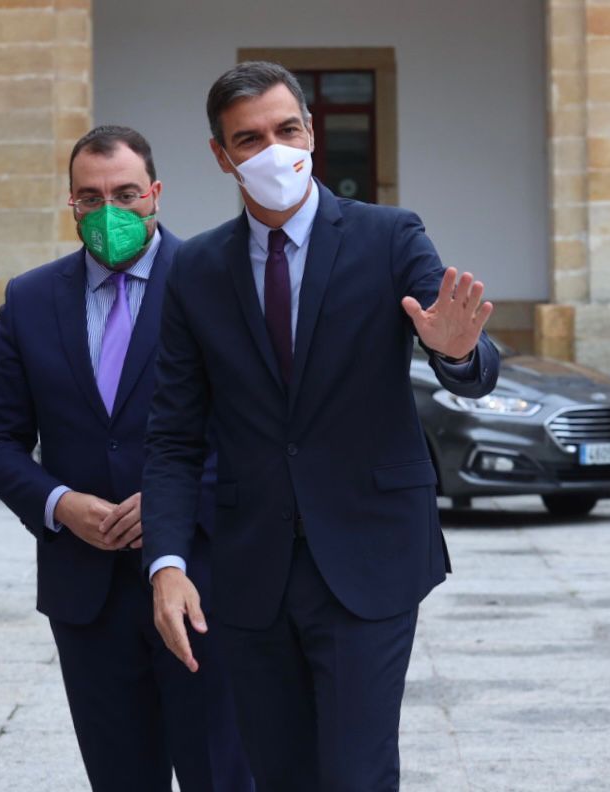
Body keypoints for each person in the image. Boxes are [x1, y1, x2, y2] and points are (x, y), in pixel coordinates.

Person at [143, 62, 501, 791]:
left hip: (368, 555)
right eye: (248, 138)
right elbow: (175, 435)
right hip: (250, 570)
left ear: (310, 132)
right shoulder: (197, 269)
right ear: (220, 155)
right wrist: (168, 563)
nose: (272, 149)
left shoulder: (388, 236)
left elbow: (466, 352)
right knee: (278, 773)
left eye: (286, 129)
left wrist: (455, 349)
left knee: (353, 772)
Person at [0, 125, 253, 791]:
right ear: (70, 204)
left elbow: (257, 433)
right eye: (89, 199)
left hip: (205, 580)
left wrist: (173, 500)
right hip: (86, 591)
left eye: (125, 194)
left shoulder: (218, 282)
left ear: (155, 193)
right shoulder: (31, 299)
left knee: (223, 774)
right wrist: (58, 504)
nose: (108, 213)